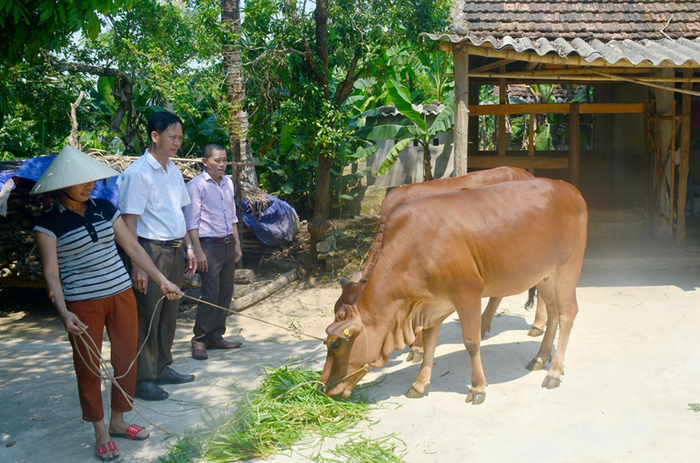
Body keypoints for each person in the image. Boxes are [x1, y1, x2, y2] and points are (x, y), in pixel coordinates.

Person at [32, 146, 184, 462]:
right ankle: (100, 431)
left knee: (127, 359)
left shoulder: (104, 207)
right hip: (82, 304)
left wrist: (161, 279)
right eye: (81, 181)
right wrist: (63, 312)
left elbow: (132, 246)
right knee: (89, 368)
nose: (89, 185)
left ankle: (118, 420)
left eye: (91, 179)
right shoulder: (48, 224)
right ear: (63, 185)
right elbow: (51, 275)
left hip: (121, 294)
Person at [116, 111, 197, 401]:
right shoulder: (138, 174)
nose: (177, 142)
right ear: (154, 136)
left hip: (174, 248)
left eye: (179, 137)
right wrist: (138, 266)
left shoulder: (172, 170)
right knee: (147, 314)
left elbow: (181, 213)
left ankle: (163, 367)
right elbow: (129, 223)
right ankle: (143, 379)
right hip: (149, 250)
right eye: (172, 136)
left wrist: (188, 247)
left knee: (169, 313)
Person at [184, 143, 243, 360]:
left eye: (224, 160)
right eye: (217, 160)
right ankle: (199, 339)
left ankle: (216, 335)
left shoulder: (228, 183)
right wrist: (197, 251)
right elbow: (191, 222)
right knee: (210, 292)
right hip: (208, 245)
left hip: (227, 243)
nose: (221, 164)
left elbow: (233, 217)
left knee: (226, 291)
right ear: (205, 161)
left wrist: (236, 244)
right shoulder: (197, 186)